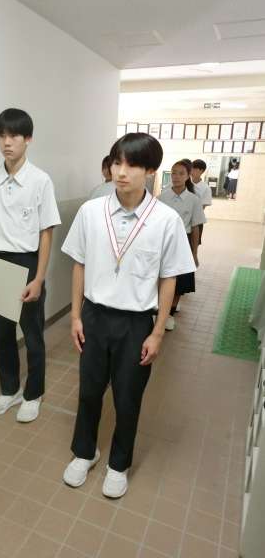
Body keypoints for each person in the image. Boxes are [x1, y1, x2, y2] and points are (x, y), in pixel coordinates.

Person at [61, 134, 195, 498]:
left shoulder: (165, 220)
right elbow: (79, 264)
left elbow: (169, 278)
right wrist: (76, 316)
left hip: (136, 323)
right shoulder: (91, 212)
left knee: (127, 397)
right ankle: (84, 452)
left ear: (151, 171)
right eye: (117, 162)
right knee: (89, 391)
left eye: (132, 165)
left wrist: (158, 332)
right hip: (94, 316)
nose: (121, 172)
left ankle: (119, 464)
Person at [0, 108, 61, 423]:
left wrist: (39, 277)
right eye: (2, 136)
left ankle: (33, 394)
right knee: (1, 334)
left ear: (28, 139)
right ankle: (9, 390)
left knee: (32, 335)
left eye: (14, 136)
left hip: (27, 261)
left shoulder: (40, 180)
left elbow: (46, 232)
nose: (7, 142)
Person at [159, 159, 205, 331]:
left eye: (181, 173)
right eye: (174, 173)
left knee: (180, 280)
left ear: (188, 176)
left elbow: (195, 227)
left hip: (183, 241)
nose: (176, 177)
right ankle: (159, 311)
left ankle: (170, 314)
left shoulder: (194, 200)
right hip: (163, 241)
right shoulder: (162, 197)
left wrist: (194, 253)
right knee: (161, 277)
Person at [191, 159, 212, 244]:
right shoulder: (185, 184)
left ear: (201, 171)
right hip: (183, 218)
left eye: (195, 169)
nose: (192, 171)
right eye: (191, 168)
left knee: (194, 244)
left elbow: (202, 207)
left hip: (196, 220)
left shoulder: (206, 188)